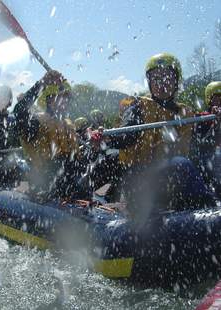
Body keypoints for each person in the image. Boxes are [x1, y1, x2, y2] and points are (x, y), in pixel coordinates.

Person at [92, 53, 215, 217]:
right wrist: (105, 139)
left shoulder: (185, 113)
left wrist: (217, 122)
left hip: (169, 181)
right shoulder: (138, 108)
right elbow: (127, 134)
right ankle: (209, 214)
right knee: (181, 164)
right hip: (140, 180)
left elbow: (202, 140)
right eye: (156, 79)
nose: (162, 83)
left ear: (176, 82)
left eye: (167, 78)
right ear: (149, 83)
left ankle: (201, 209)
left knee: (205, 161)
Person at [13, 70, 86, 200]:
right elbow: (19, 112)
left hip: (69, 185)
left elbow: (77, 163)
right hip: (44, 186)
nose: (65, 101)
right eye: (61, 97)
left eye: (67, 98)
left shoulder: (68, 124)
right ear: (48, 100)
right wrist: (42, 84)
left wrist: (96, 148)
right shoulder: (35, 123)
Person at [191, 82, 221, 196]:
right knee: (218, 155)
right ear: (210, 100)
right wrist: (216, 123)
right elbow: (202, 142)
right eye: (217, 99)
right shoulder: (202, 118)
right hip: (208, 157)